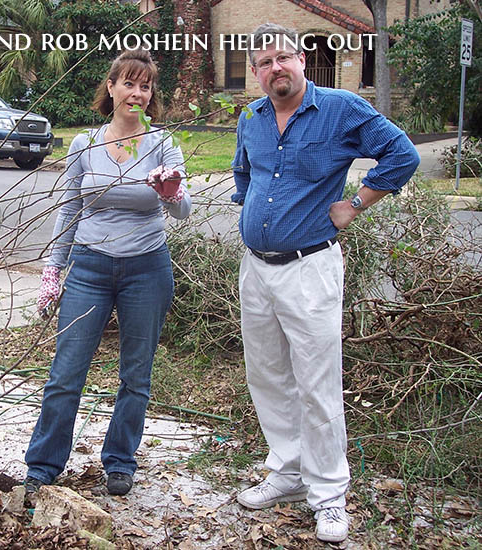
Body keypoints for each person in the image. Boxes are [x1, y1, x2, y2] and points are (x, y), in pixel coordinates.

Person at [230, 24, 420, 543]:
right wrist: (252, 211)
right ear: (255, 72)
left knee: (317, 384)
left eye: (284, 58)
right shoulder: (251, 115)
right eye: (265, 62)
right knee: (267, 375)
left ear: (302, 60)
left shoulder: (340, 108)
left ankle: (329, 494)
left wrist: (355, 205)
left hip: (309, 267)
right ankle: (288, 471)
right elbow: (243, 173)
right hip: (257, 268)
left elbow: (403, 156)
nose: (276, 69)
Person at [24, 49, 192, 498]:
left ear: (151, 94)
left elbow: (183, 213)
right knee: (66, 371)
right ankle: (42, 464)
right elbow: (71, 208)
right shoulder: (85, 144)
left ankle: (120, 461)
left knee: (135, 374)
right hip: (90, 267)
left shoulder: (163, 144)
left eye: (146, 86)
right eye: (129, 83)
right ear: (112, 87)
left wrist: (172, 192)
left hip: (146, 268)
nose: (137, 93)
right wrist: (53, 268)